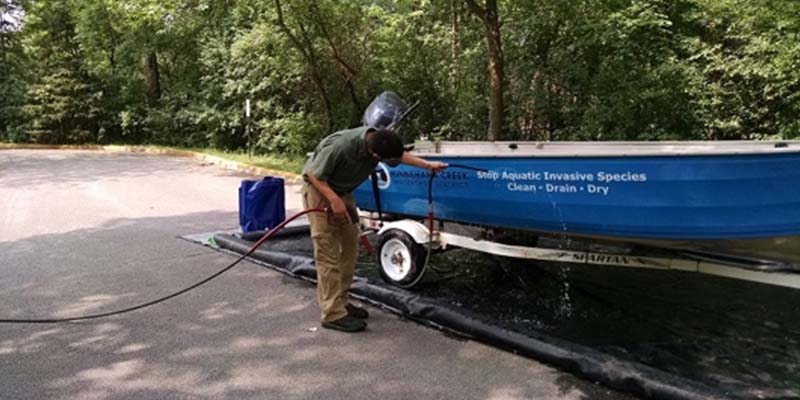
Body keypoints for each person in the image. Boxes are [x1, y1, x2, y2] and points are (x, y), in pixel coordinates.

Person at [301, 92, 446, 332]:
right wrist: (335, 201)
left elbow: (399, 156)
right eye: (387, 160)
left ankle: (343, 302)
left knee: (350, 247)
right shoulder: (342, 146)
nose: (393, 162)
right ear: (375, 156)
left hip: (342, 191)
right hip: (320, 190)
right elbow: (313, 175)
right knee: (327, 252)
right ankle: (332, 313)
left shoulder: (380, 140)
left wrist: (428, 165)